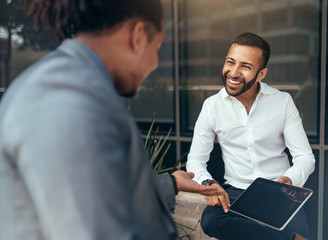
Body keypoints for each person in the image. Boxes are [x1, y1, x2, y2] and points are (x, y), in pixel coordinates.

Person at [0, 1, 229, 240]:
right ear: (138, 36)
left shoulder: (73, 87)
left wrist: (169, 184)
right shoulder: (67, 103)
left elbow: (95, 195)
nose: (154, 63)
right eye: (157, 48)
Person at [186, 32, 315, 240]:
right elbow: (195, 160)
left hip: (278, 192)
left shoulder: (282, 102)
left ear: (261, 74)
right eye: (230, 62)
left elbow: (305, 157)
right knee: (211, 221)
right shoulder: (211, 107)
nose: (234, 73)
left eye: (245, 67)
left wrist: (289, 180)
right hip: (235, 192)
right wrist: (208, 184)